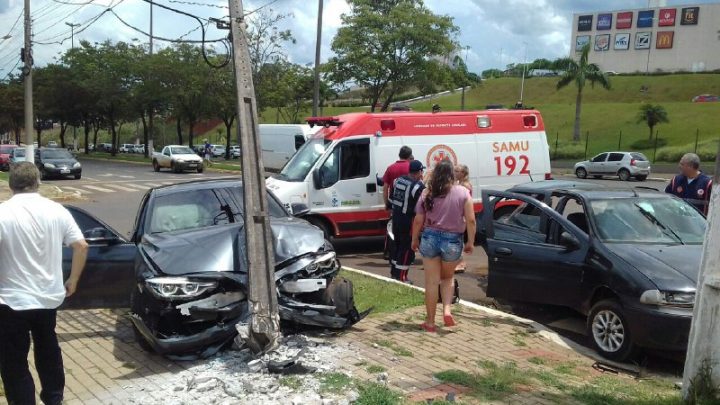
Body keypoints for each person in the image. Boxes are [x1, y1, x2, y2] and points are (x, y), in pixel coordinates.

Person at [0, 162, 89, 405]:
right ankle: (53, 399)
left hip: (11, 302)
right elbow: (81, 246)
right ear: (38, 182)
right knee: (48, 349)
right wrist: (73, 279)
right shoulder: (57, 210)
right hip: (48, 298)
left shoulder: (3, 213)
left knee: (14, 362)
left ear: (10, 185)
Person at [412, 160, 476, 332]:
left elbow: (418, 220)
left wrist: (414, 240)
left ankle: (430, 322)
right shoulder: (463, 192)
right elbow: (471, 220)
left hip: (430, 237)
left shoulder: (427, 193)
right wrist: (470, 241)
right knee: (447, 278)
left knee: (431, 282)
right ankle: (447, 310)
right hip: (453, 240)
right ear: (452, 175)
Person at [388, 160, 426, 282]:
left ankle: (394, 273)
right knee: (407, 249)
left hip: (396, 218)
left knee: (397, 245)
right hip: (408, 221)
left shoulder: (397, 180)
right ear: (420, 172)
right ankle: (402, 277)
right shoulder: (417, 186)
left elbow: (391, 197)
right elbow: (424, 203)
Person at [454, 164, 472, 273]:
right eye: (454, 170)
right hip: (458, 215)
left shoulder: (465, 186)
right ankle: (459, 261)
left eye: (457, 171)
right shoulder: (459, 184)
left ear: (463, 173)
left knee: (459, 238)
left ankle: (461, 263)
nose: (454, 173)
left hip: (462, 215)